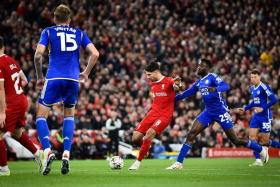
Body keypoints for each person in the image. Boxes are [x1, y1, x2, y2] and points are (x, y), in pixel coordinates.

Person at [166, 58, 269, 170]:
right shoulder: (199, 83)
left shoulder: (212, 77)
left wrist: (214, 89)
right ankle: (179, 163)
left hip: (221, 112)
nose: (198, 67)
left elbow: (226, 86)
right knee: (191, 133)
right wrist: (169, 99)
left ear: (206, 68)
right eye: (198, 65)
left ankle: (260, 149)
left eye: (201, 66)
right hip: (208, 112)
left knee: (235, 140)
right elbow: (186, 93)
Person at [34, 4, 99, 175]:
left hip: (54, 77)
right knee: (69, 115)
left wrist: (40, 76)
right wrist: (85, 73)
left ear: (55, 18)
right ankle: (66, 155)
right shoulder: (79, 33)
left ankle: (47, 151)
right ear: (69, 19)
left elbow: (38, 55)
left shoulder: (48, 31)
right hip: (72, 79)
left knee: (41, 116)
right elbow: (95, 54)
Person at [0, 36, 43, 176]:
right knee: (17, 132)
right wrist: (14, 91)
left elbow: (0, 89)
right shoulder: (11, 60)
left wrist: (2, 112)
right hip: (22, 100)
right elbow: (24, 80)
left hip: (11, 103)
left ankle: (4, 169)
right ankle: (38, 153)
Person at [128, 62, 182, 170]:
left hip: (164, 116)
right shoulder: (152, 84)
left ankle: (137, 162)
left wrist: (178, 85)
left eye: (149, 75)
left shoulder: (168, 80)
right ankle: (146, 148)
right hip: (152, 113)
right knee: (135, 138)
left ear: (156, 72)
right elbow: (154, 95)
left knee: (150, 133)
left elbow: (177, 87)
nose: (147, 77)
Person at [237, 69, 279, 166]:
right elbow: (254, 102)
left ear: (259, 77)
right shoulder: (252, 88)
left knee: (265, 142)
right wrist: (246, 108)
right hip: (256, 116)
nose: (253, 79)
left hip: (265, 116)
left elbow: (274, 99)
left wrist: (263, 108)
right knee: (251, 138)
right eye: (251, 77)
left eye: (255, 77)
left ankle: (267, 149)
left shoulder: (264, 87)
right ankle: (258, 160)